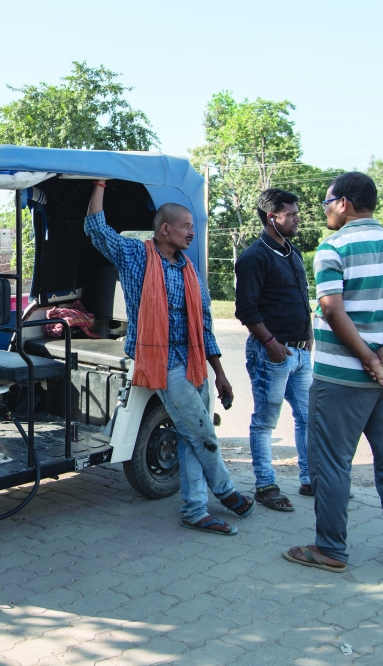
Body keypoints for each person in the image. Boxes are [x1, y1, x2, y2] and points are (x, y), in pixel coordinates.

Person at [85, 181, 253, 535]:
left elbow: (205, 327)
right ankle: (226, 491)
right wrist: (99, 182)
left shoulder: (189, 270)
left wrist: (219, 373)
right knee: (203, 432)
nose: (193, 232)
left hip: (194, 363)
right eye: (187, 226)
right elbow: (97, 229)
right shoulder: (134, 256)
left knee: (190, 434)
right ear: (165, 229)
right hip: (164, 364)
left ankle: (194, 509)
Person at [284, 172, 383, 573]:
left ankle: (331, 550)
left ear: (344, 202)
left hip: (342, 380)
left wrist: (368, 360)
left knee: (331, 463)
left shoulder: (333, 247)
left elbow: (332, 309)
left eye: (327, 202)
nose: (325, 209)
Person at [233, 189, 313, 511]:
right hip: (271, 354)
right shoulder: (254, 257)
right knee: (265, 422)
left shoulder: (292, 252)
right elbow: (246, 310)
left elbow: (302, 297)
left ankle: (309, 479)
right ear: (272, 218)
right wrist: (271, 343)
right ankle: (266, 485)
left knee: (308, 418)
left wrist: (308, 334)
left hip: (300, 354)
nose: (297, 219)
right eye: (291, 214)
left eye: (296, 213)